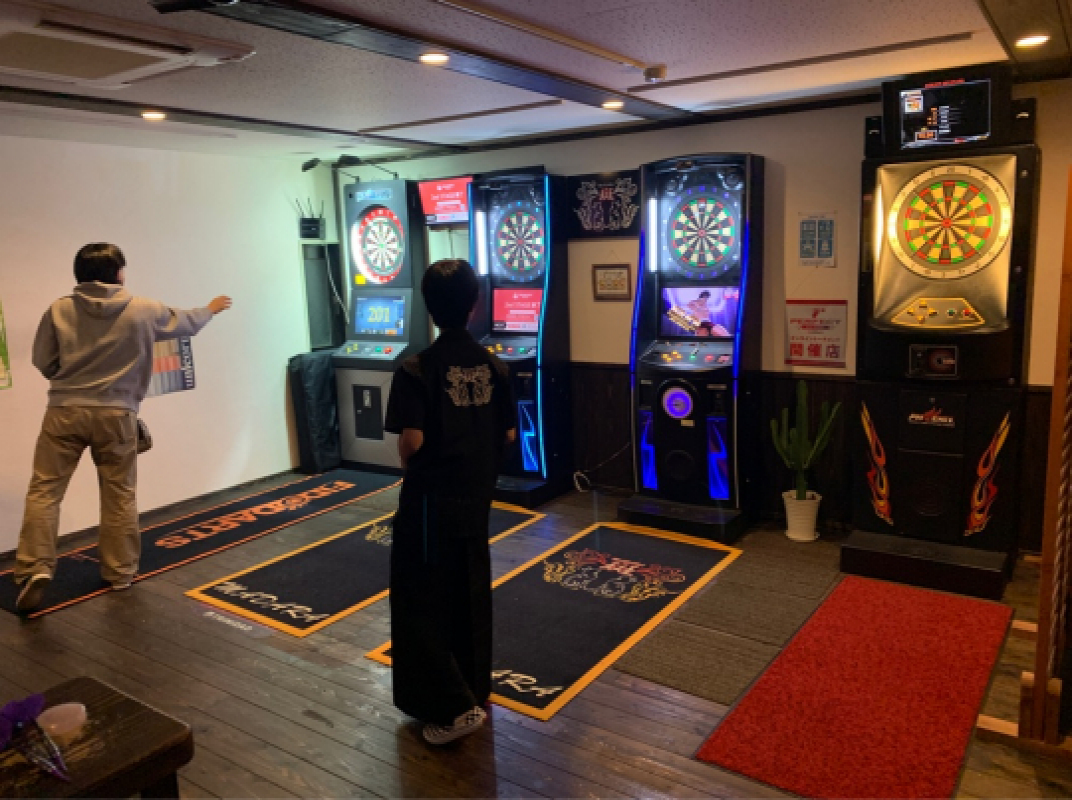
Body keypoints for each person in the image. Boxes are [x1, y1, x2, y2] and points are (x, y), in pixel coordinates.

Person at [13, 243, 231, 613]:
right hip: (117, 413)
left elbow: (42, 359)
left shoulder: (59, 309)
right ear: (117, 273)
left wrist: (68, 380)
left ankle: (35, 569)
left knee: (44, 492)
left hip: (64, 411)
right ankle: (120, 572)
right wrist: (210, 309)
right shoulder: (143, 309)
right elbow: (187, 323)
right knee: (119, 493)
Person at [384, 258, 517, 745]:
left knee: (420, 601)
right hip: (476, 498)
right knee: (469, 593)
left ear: (428, 307)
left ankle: (452, 708)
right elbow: (507, 434)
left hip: (429, 504)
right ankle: (473, 690)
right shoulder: (496, 366)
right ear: (475, 304)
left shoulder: (416, 369)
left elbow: (412, 442)